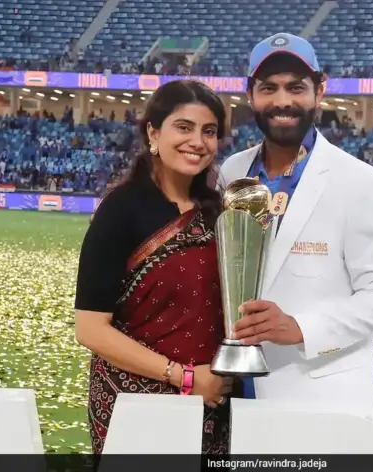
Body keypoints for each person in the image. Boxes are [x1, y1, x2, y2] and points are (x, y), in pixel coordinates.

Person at [218, 33, 373, 422]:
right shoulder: (233, 171)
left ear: (319, 91)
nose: (282, 101)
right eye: (268, 88)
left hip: (320, 396)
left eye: (296, 87)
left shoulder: (362, 182)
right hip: (235, 390)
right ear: (250, 94)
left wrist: (300, 327)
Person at [73, 80, 236, 455]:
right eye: (184, 127)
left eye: (209, 131)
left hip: (212, 404)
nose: (197, 141)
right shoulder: (121, 209)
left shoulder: (218, 213)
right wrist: (184, 377)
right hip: (134, 403)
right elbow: (90, 329)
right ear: (153, 133)